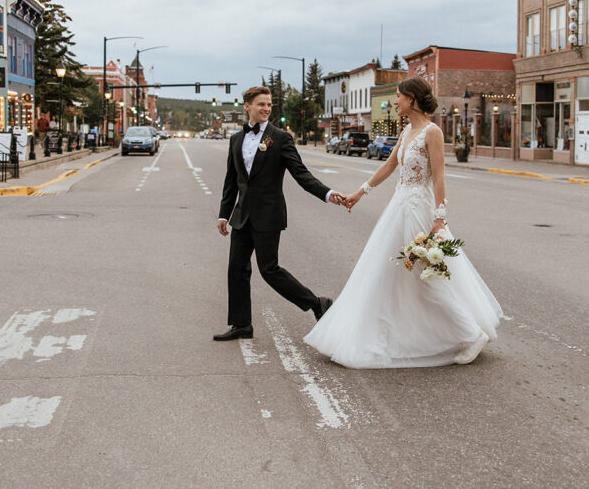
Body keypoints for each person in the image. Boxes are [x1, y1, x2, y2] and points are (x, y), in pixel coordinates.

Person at [304, 78, 503, 368]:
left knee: (426, 275)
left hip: (417, 211)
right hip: (399, 207)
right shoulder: (408, 130)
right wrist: (360, 193)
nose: (394, 102)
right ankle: (393, 330)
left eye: (398, 97)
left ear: (411, 98)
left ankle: (470, 333)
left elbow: (438, 177)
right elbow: (389, 165)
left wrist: (439, 218)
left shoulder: (432, 132)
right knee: (395, 276)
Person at [214, 86, 343, 341]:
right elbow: (232, 181)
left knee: (269, 269)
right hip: (242, 216)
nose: (266, 109)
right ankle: (241, 324)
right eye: (261, 104)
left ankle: (316, 304)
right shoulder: (235, 140)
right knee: (236, 269)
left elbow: (301, 174)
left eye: (269, 105)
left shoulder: (281, 138)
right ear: (247, 106)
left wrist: (328, 194)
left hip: (268, 215)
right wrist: (223, 215)